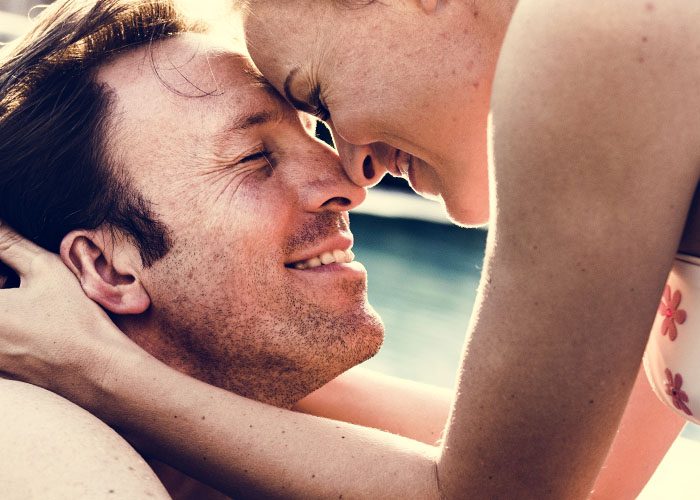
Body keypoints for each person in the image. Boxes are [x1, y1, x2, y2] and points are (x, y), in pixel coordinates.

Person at [0, 0, 696, 498]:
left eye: (313, 106)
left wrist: (97, 364)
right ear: (101, 265)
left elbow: (502, 486)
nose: (348, 177)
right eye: (253, 157)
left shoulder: (598, 29)